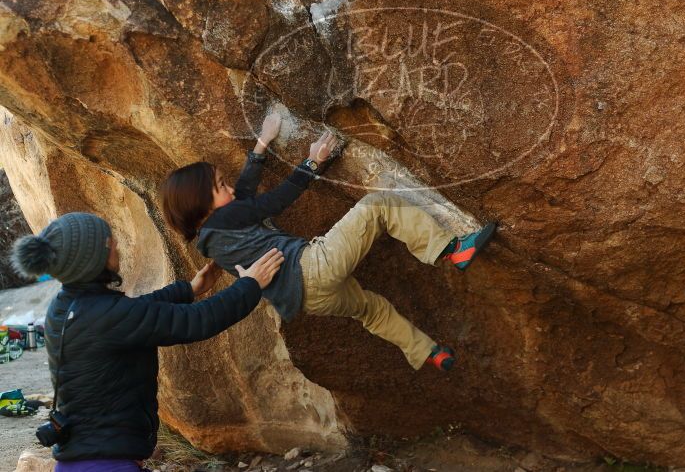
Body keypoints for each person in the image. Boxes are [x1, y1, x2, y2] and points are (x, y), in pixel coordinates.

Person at [161, 113, 496, 372]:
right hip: (312, 268)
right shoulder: (224, 221)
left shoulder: (215, 236)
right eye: (221, 186)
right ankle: (451, 249)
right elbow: (273, 202)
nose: (230, 188)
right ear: (201, 206)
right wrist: (312, 162)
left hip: (309, 300)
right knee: (378, 204)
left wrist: (262, 144)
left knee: (371, 309)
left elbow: (245, 196)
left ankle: (428, 353)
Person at [11, 212, 284, 471]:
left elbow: (137, 311)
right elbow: (198, 320)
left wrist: (189, 289)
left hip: (79, 460)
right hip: (107, 466)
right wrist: (250, 284)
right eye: (108, 243)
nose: (116, 245)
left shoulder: (64, 306)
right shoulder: (109, 314)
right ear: (90, 259)